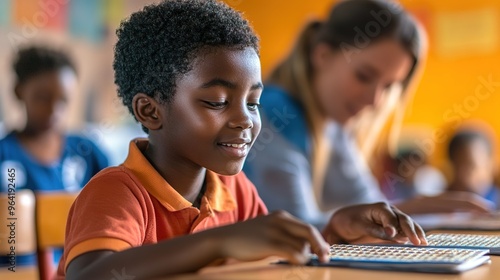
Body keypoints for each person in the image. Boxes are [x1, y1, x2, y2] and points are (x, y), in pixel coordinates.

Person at [57, 1, 427, 279]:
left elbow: (275, 249)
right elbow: (92, 274)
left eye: (253, 103)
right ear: (151, 111)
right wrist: (219, 241)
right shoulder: (118, 192)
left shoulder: (235, 190)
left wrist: (331, 230)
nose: (244, 120)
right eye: (217, 102)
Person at [243, 0, 492, 229]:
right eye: (364, 76)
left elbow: (370, 207)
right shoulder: (276, 113)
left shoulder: (332, 125)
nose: (375, 101)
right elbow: (295, 231)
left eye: (388, 86)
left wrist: (417, 209)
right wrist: (408, 209)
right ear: (323, 56)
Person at [0, 46, 109, 193]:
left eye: (63, 100)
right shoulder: (5, 155)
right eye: (43, 98)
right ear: (18, 91)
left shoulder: (87, 153)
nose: (53, 110)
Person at [446, 129, 500, 209]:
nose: (462, 177)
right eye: (457, 167)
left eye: (471, 167)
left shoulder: (497, 203)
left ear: (491, 164)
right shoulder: (440, 205)